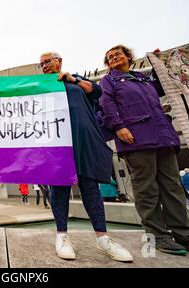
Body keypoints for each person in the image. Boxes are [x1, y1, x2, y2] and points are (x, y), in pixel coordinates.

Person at [99, 44, 189, 259]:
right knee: (147, 188)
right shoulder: (109, 80)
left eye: (118, 53)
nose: (114, 57)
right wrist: (118, 126)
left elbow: (165, 86)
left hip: (163, 136)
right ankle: (157, 235)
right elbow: (106, 103)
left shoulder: (143, 79)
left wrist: (159, 65)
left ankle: (186, 234)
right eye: (110, 57)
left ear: (129, 56)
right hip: (136, 138)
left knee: (173, 187)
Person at [39, 52, 133, 262]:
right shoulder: (37, 85)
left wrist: (72, 79)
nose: (44, 66)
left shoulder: (77, 79)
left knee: (90, 186)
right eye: (41, 64)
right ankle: (62, 235)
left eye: (47, 61)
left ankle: (103, 237)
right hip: (56, 143)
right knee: (59, 187)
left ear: (59, 61)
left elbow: (96, 91)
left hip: (84, 139)